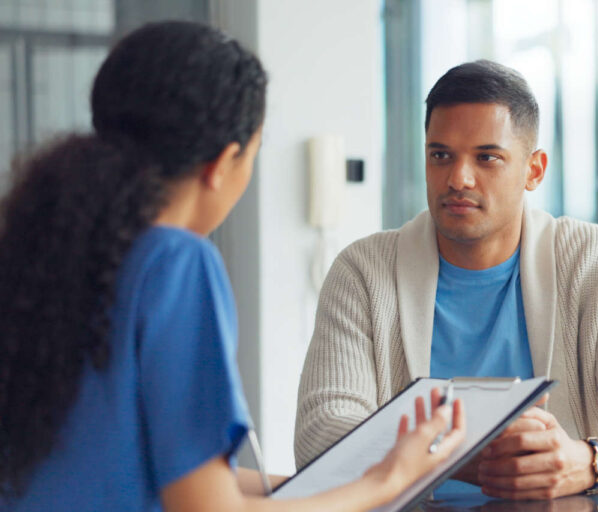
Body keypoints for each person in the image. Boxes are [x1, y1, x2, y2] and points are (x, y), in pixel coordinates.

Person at [0, 21, 465, 512]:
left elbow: (160, 472)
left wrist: (343, 483)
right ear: (223, 162)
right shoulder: (176, 263)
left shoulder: (42, 254)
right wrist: (390, 481)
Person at [295, 60, 598, 500]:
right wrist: (463, 455)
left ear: (534, 170)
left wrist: (588, 462)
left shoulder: (590, 259)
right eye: (441, 155)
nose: (458, 178)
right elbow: (320, 434)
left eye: (487, 157)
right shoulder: (362, 271)